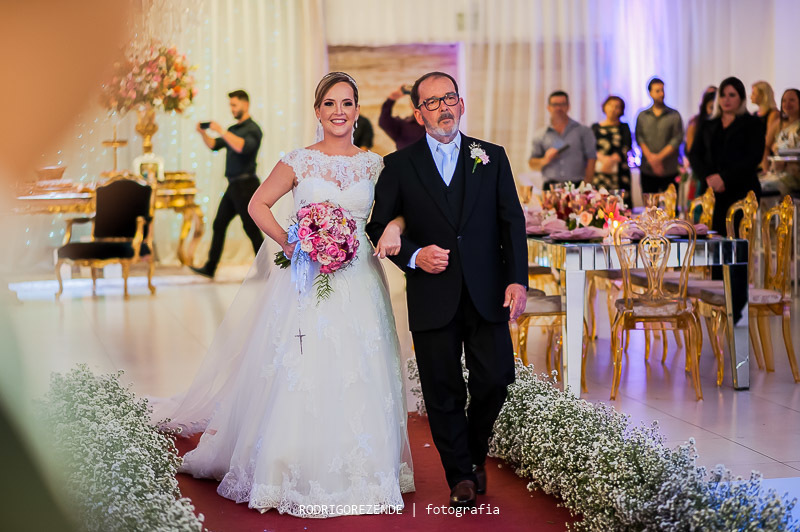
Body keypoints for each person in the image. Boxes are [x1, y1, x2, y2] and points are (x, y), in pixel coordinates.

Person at [154, 72, 415, 516]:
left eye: (347, 103)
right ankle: (289, 462)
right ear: (317, 111)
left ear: (357, 110)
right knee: (304, 361)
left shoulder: (375, 164)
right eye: (329, 103)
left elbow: (399, 212)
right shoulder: (299, 160)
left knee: (360, 363)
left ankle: (363, 465)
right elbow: (257, 204)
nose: (338, 111)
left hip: (360, 278)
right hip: (308, 277)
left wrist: (393, 226)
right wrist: (291, 241)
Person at [367, 72, 528, 509]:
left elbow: (511, 221)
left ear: (461, 104)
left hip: (488, 291)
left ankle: (473, 454)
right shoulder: (399, 165)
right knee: (442, 390)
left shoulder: (491, 156)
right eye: (432, 101)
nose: (443, 107)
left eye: (449, 98)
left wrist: (517, 279)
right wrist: (415, 255)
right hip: (432, 294)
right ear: (418, 113)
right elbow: (378, 226)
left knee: (496, 379)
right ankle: (460, 475)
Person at [190, 90, 265, 278]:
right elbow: (214, 145)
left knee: (251, 229)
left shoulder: (253, 129)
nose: (232, 109)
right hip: (233, 187)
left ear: (245, 105)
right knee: (219, 224)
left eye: (234, 105)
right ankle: (210, 268)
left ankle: (265, 271)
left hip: (247, 186)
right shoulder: (232, 129)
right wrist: (203, 134)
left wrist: (221, 130)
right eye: (230, 105)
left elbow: (242, 147)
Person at [689, 77, 764, 233]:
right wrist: (708, 177)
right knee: (713, 238)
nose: (726, 99)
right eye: (722, 95)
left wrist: (724, 178)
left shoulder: (752, 123)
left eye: (732, 95)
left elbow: (753, 157)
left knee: (737, 239)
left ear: (741, 98)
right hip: (712, 190)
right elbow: (695, 154)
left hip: (741, 189)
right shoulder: (708, 124)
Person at [528, 90, 597, 189]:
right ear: (548, 107)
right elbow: (532, 164)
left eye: (562, 104)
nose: (558, 108)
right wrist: (545, 160)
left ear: (568, 106)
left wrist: (587, 185)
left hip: (577, 186)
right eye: (555, 105)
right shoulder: (541, 134)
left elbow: (591, 158)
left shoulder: (583, 131)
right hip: (550, 187)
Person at [635, 77, 684, 193]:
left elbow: (677, 139)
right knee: (649, 203)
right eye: (657, 91)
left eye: (662, 90)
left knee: (670, 203)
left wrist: (658, 158)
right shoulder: (642, 116)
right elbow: (639, 138)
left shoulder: (674, 115)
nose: (661, 94)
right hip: (648, 170)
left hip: (669, 170)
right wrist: (651, 159)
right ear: (650, 93)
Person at [591, 95, 632, 199]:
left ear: (621, 110)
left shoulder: (624, 127)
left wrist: (611, 160)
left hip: (619, 173)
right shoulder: (595, 127)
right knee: (600, 202)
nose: (613, 109)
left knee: (620, 203)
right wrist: (603, 160)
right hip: (599, 170)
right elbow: (591, 148)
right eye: (610, 105)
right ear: (604, 107)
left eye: (617, 107)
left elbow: (626, 147)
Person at [766, 88, 800, 194]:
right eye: (784, 101)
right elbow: (765, 147)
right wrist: (766, 169)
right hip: (776, 171)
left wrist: (787, 162)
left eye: (791, 100)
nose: (787, 104)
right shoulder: (778, 124)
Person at [685, 90, 718, 195]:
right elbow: (692, 151)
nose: (714, 111)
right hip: (701, 172)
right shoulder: (697, 123)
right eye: (711, 107)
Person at [378, 85, 426, 150]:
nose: (418, 103)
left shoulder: (435, 125)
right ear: (410, 104)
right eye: (414, 100)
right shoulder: (403, 125)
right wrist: (391, 99)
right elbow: (384, 121)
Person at [751, 81, 781, 170]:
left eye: (754, 93)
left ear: (763, 95)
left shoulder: (773, 114)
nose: (751, 96)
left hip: (766, 157)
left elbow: (768, 140)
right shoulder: (755, 114)